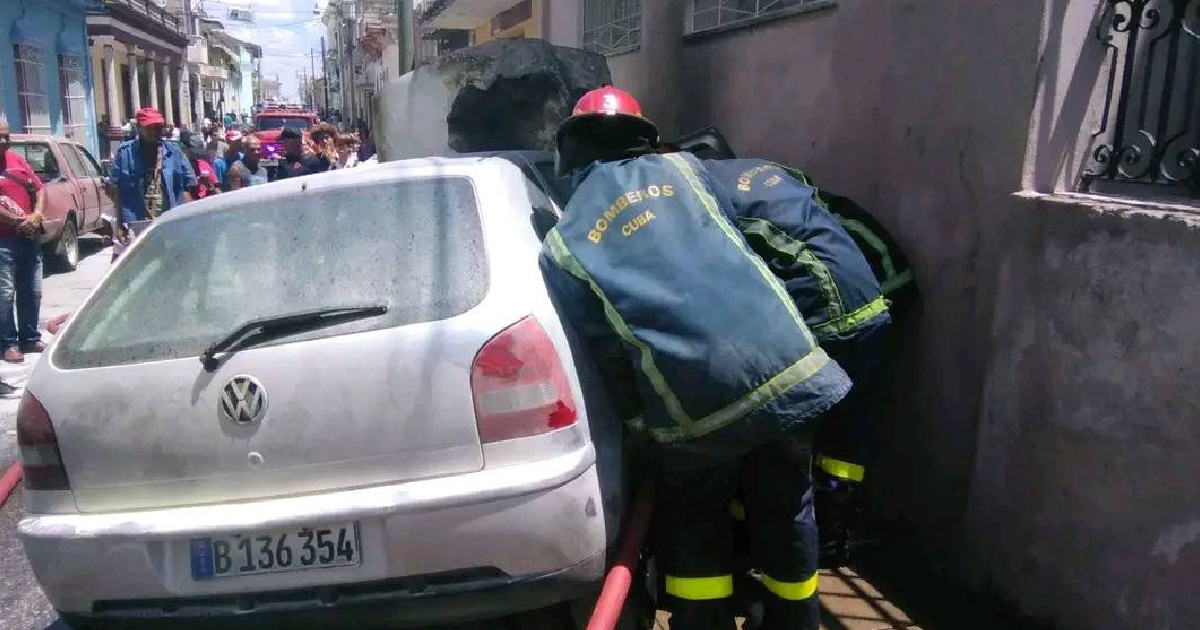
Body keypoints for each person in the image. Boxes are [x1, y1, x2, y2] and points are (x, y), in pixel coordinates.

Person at [542, 86, 850, 630]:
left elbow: (607, 355)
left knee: (696, 526)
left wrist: (642, 428)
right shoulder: (692, 172)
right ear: (644, 137)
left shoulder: (564, 243)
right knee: (786, 511)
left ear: (572, 151)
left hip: (695, 408)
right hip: (791, 369)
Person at [701, 158, 891, 566]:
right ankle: (832, 536)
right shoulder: (766, 168)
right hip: (872, 304)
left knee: (782, 447)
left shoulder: (705, 195)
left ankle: (763, 542)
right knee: (846, 434)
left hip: (826, 316)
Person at [109, 108, 197, 257]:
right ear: (139, 128)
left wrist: (185, 218)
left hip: (170, 221)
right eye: (150, 128)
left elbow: (189, 186)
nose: (155, 131)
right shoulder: (125, 153)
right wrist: (119, 224)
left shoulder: (174, 152)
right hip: (137, 224)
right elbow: (116, 190)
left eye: (158, 127)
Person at [0, 121, 46, 366]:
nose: (3, 142)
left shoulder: (17, 161)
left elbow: (39, 189)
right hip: (3, 241)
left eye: (6, 137)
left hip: (29, 238)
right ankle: (8, 343)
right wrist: (19, 220)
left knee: (32, 291)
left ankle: (30, 337)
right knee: (4, 295)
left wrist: (36, 215)